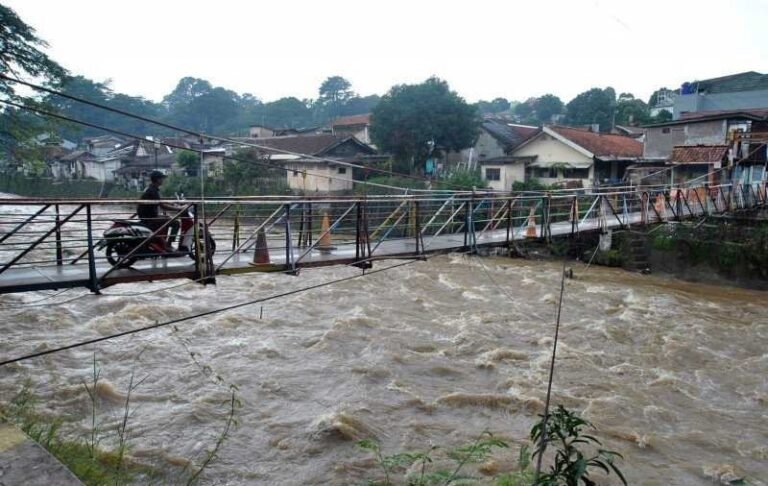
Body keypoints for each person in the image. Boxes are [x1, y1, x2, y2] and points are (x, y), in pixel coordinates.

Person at [137, 171, 184, 251]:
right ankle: (168, 245)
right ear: (157, 179)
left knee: (167, 218)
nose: (163, 180)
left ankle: (163, 243)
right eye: (162, 178)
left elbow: (160, 201)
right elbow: (163, 206)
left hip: (148, 216)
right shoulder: (152, 191)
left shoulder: (151, 189)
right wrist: (179, 209)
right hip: (150, 218)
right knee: (175, 223)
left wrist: (173, 204)